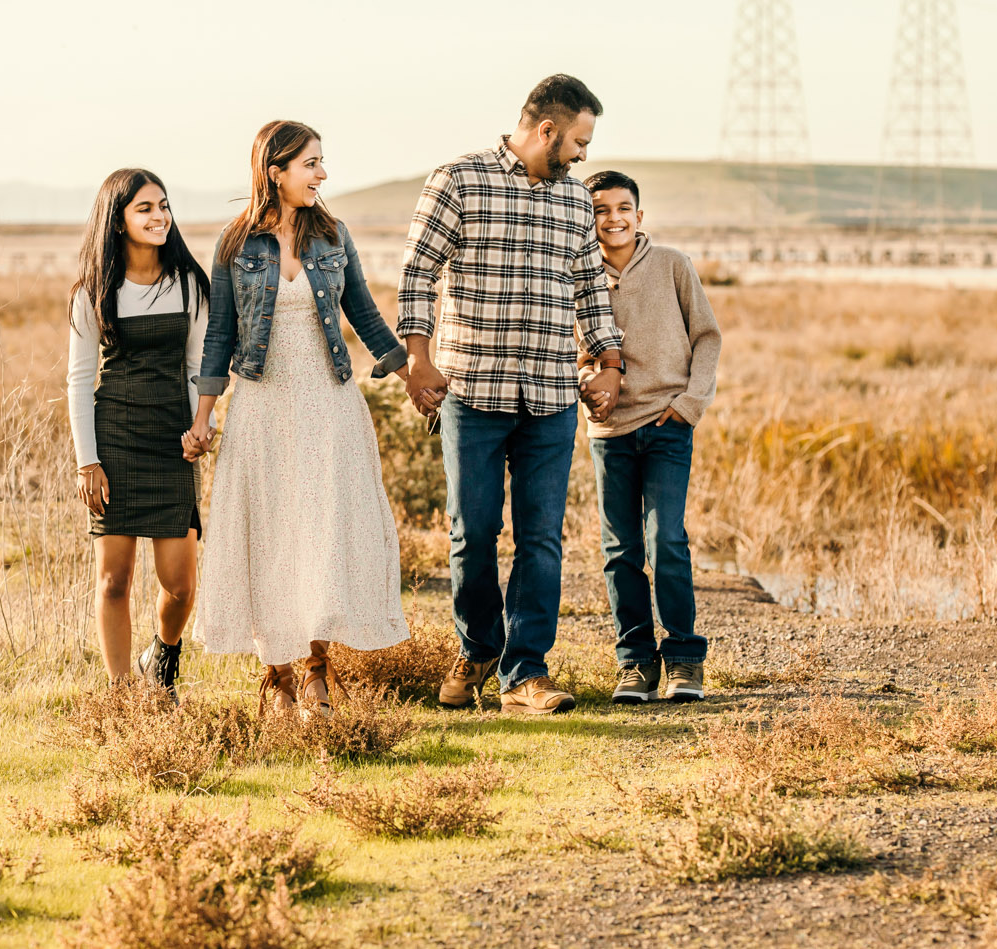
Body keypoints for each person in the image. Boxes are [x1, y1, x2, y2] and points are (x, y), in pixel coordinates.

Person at [399, 74, 625, 716]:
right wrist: (417, 359)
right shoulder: (459, 180)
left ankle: (526, 674)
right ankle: (476, 653)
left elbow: (589, 291)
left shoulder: (576, 203)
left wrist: (609, 361)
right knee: (472, 534)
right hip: (472, 390)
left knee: (542, 539)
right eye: (578, 140)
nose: (583, 154)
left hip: (552, 393)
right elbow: (417, 272)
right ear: (547, 130)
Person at [184, 120, 410, 718]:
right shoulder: (235, 245)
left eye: (321, 163)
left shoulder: (333, 235)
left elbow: (362, 310)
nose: (323, 174)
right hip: (262, 404)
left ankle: (315, 668)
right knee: (269, 533)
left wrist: (410, 372)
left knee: (320, 533)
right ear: (275, 170)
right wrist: (203, 417)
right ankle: (276, 674)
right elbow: (220, 336)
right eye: (311, 163)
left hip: (326, 403)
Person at [66, 169, 212, 698]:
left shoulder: (189, 283)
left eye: (164, 206)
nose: (159, 217)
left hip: (173, 445)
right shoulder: (94, 291)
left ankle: (164, 657)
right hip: (116, 443)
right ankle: (122, 695)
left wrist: (202, 424)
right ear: (118, 220)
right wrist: (89, 461)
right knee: (114, 580)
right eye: (145, 208)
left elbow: (200, 366)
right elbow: (80, 382)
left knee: (180, 585)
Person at [577, 170, 720, 703]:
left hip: (667, 424)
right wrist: (584, 381)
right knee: (620, 549)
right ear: (586, 218)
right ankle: (635, 664)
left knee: (667, 541)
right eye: (600, 210)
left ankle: (684, 658)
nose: (612, 219)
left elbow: (707, 337)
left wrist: (690, 404)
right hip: (609, 429)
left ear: (640, 215)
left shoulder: (672, 265)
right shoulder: (574, 274)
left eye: (622, 208)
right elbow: (570, 350)